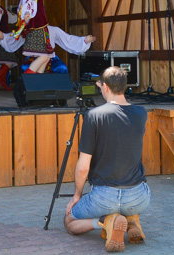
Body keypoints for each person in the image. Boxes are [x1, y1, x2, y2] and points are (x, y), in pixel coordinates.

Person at [64, 66, 150, 252]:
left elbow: (83, 167)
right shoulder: (141, 113)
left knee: (69, 221)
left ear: (104, 87)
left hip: (105, 197)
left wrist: (77, 195)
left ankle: (105, 222)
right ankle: (131, 220)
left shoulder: (94, 116)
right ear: (125, 86)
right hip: (138, 197)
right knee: (128, 204)